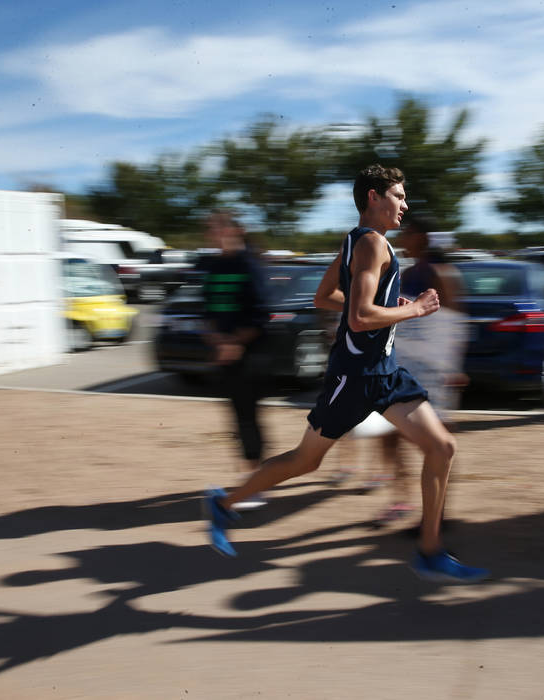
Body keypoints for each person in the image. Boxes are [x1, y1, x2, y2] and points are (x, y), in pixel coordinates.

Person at [203, 164, 488, 583]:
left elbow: (325, 297)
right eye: (399, 196)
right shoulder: (373, 245)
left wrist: (391, 306)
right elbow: (358, 318)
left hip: (384, 373)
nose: (405, 205)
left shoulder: (355, 241)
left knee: (442, 447)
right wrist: (413, 310)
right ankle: (224, 503)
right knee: (305, 462)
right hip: (353, 378)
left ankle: (429, 551)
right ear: (373, 198)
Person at [376, 215, 469, 524]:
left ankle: (438, 514)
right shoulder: (404, 273)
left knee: (436, 445)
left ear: (423, 238)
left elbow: (456, 324)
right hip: (406, 368)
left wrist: (455, 368)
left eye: (409, 233)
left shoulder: (442, 274)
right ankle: (401, 499)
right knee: (388, 433)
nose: (402, 238)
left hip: (436, 375)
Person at [197, 210, 269, 510]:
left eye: (217, 230)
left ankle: (256, 485)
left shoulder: (249, 264)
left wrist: (236, 342)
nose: (213, 236)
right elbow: (208, 310)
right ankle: (251, 477)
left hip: (251, 355)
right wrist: (216, 339)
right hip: (227, 355)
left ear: (233, 231)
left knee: (248, 419)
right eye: (209, 231)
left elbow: (262, 313)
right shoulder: (214, 266)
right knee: (239, 420)